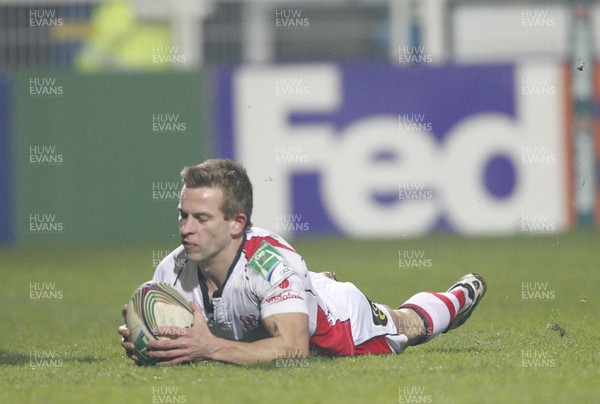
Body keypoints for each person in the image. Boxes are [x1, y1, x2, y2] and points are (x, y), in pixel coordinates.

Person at [118, 159, 487, 366]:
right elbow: (180, 341)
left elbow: (294, 348)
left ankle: (460, 295)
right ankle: (304, 285)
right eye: (183, 216)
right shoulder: (171, 271)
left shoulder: (273, 263)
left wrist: (210, 348)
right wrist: (148, 340)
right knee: (288, 289)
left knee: (408, 325)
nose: (186, 229)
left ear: (237, 223)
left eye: (201, 219)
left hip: (335, 326)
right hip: (283, 296)